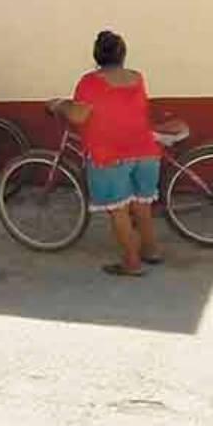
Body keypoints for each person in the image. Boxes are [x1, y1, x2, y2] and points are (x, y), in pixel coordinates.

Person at [48, 31, 166, 277]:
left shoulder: (90, 81)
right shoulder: (137, 77)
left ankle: (131, 262)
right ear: (123, 54)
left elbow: (79, 115)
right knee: (142, 204)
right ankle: (151, 250)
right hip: (145, 150)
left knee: (118, 210)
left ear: (96, 56)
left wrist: (59, 105)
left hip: (109, 155)